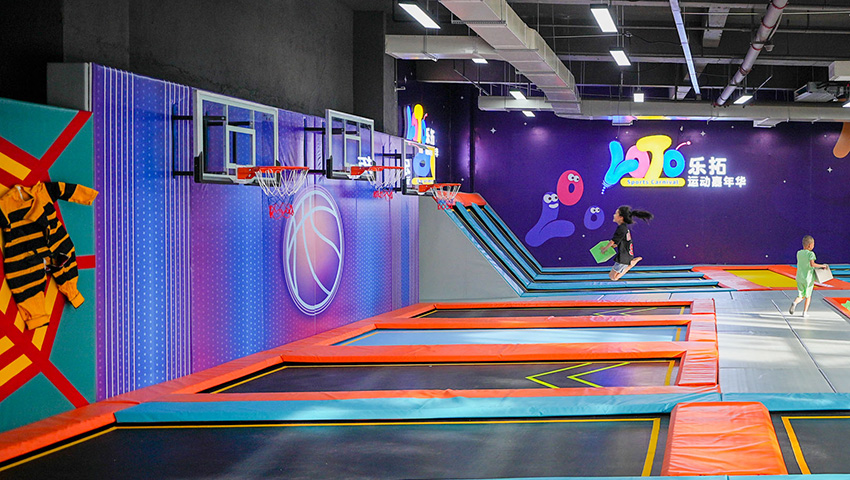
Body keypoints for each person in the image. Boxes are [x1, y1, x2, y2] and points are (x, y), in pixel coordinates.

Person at [599, 205, 654, 281]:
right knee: (612, 276)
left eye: (616, 214)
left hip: (624, 256)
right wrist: (613, 246)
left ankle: (631, 264)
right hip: (626, 255)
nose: (614, 215)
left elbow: (612, 241)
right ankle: (631, 263)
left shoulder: (621, 228)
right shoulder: (624, 228)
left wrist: (604, 249)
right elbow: (618, 241)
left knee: (613, 277)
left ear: (621, 217)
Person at [789, 235, 828, 316]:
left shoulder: (799, 253)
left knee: (801, 295)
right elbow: (812, 264)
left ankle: (795, 302)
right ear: (810, 245)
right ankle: (805, 312)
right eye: (813, 245)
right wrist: (822, 266)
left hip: (799, 277)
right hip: (808, 278)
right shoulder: (811, 254)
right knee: (808, 295)